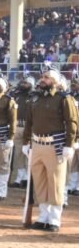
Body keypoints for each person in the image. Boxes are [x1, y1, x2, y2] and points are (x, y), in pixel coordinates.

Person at [23, 67, 79, 232]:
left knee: (55, 182)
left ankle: (54, 219)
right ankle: (42, 217)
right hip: (37, 144)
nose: (43, 79)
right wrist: (26, 142)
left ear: (55, 81)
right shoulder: (36, 99)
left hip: (56, 145)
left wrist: (69, 145)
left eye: (47, 77)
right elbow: (29, 123)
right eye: (42, 77)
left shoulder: (64, 99)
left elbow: (72, 123)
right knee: (40, 182)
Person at [10, 74, 36, 188]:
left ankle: (27, 178)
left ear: (31, 84)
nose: (23, 85)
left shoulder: (35, 96)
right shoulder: (17, 95)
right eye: (22, 83)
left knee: (28, 153)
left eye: (26, 83)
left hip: (29, 127)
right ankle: (19, 177)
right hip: (17, 126)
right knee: (18, 154)